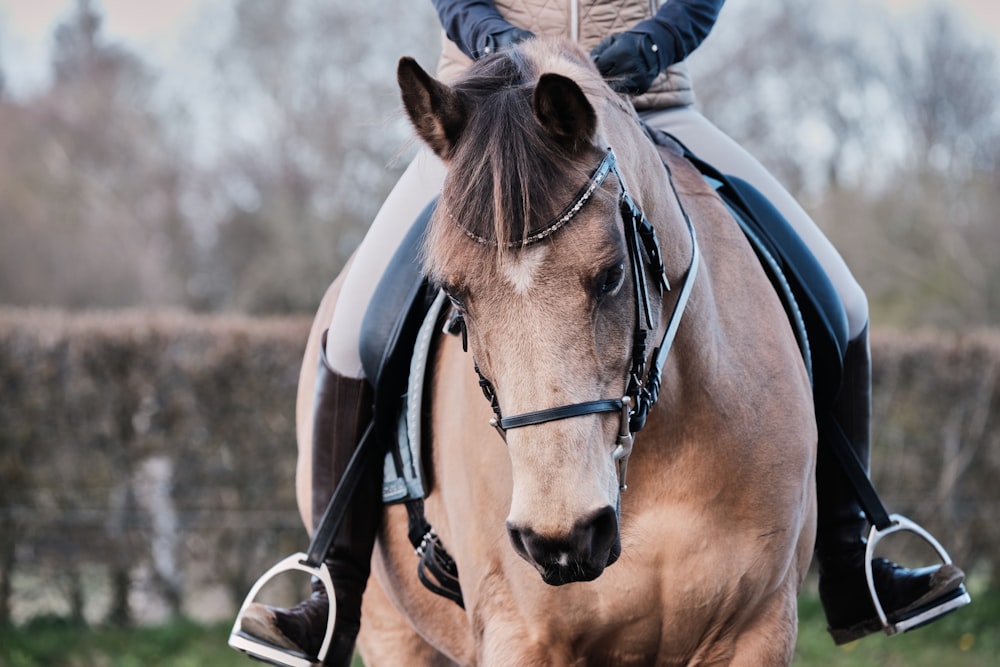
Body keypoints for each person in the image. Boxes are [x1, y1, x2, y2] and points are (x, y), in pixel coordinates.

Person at [241, 1, 967, 663]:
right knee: (353, 324)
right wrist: (504, 43)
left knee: (841, 294)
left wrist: (646, 49)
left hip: (646, 103)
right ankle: (329, 582)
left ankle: (851, 552)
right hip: (488, 113)